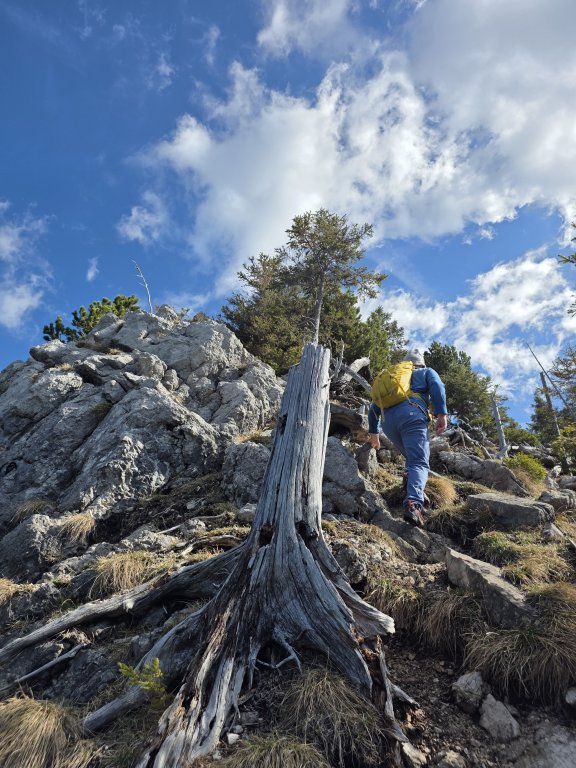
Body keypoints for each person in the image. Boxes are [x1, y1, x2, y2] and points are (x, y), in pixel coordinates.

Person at [368, 349, 448, 527]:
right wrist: (442, 413)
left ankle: (411, 485)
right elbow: (437, 385)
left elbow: (373, 407)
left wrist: (374, 433)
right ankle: (413, 503)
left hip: (387, 423)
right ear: (421, 363)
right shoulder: (425, 372)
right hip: (411, 414)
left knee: (412, 458)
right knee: (419, 461)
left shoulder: (393, 379)